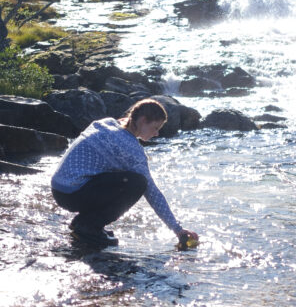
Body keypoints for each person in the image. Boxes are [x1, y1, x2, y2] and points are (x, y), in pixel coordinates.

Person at [51, 98, 199, 248]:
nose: (157, 133)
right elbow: (152, 192)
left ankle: (84, 221)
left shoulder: (107, 123)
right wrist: (177, 229)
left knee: (118, 176)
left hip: (60, 187)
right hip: (72, 193)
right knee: (138, 183)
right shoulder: (130, 149)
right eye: (155, 127)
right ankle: (89, 226)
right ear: (142, 121)